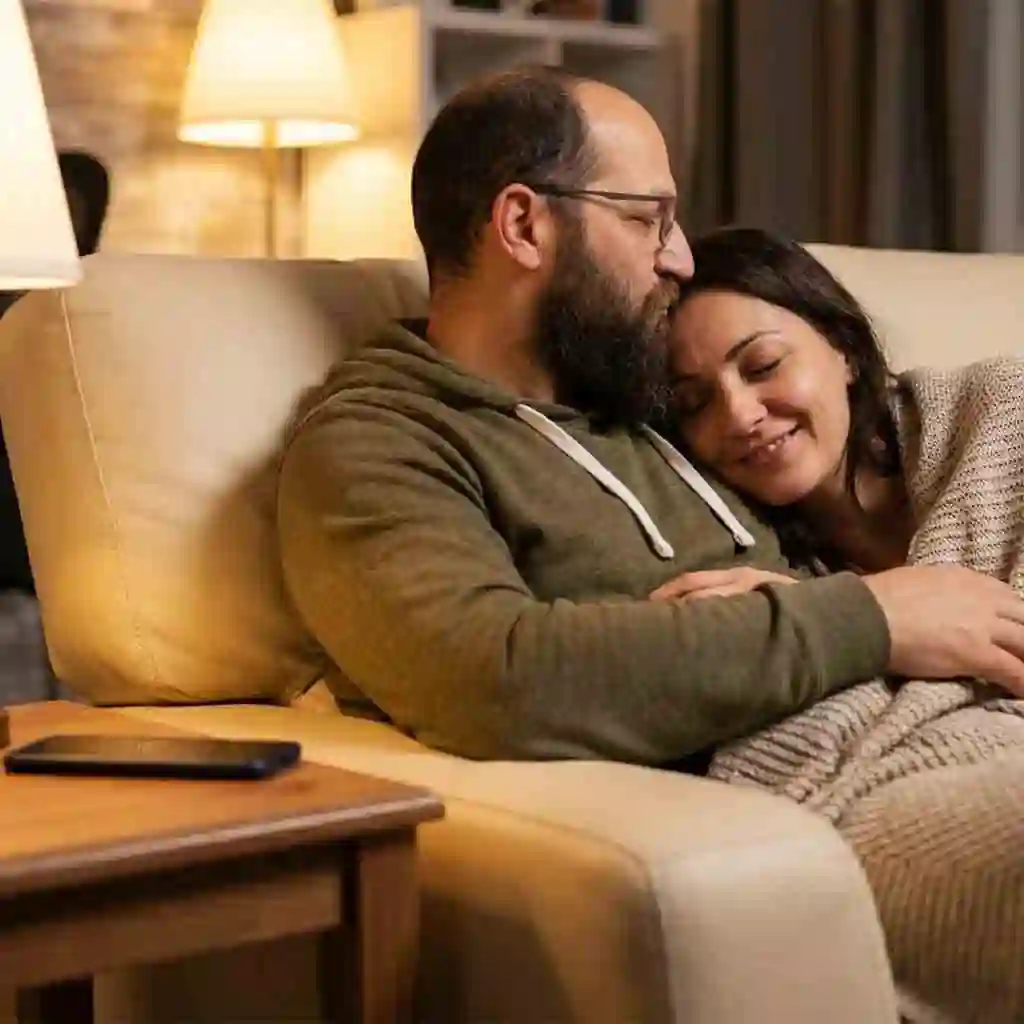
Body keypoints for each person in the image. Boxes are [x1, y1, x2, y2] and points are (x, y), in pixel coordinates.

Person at [276, 65, 1024, 776]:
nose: (681, 260)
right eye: (647, 219)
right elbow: (490, 680)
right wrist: (869, 619)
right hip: (829, 764)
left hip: (948, 714)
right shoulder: (380, 442)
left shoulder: (642, 392)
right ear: (524, 225)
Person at [667, 225, 1024, 1023]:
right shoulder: (745, 556)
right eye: (693, 403)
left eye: (764, 365)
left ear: (845, 349)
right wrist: (841, 616)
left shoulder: (1003, 415)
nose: (741, 413)